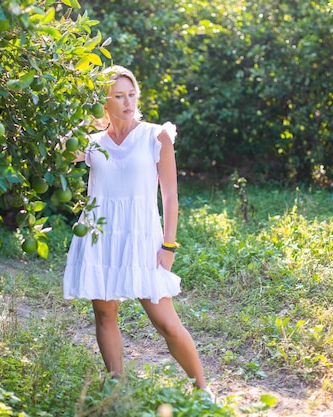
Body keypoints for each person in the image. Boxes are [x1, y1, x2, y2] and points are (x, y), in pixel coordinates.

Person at [63, 65, 213, 399]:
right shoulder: (91, 143)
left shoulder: (155, 135)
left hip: (142, 237)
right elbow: (58, 153)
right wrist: (83, 117)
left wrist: (169, 245)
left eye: (132, 95)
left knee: (166, 322)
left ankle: (202, 390)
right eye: (118, 96)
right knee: (104, 313)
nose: (128, 102)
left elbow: (170, 195)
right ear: (104, 101)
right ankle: (116, 386)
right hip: (100, 234)